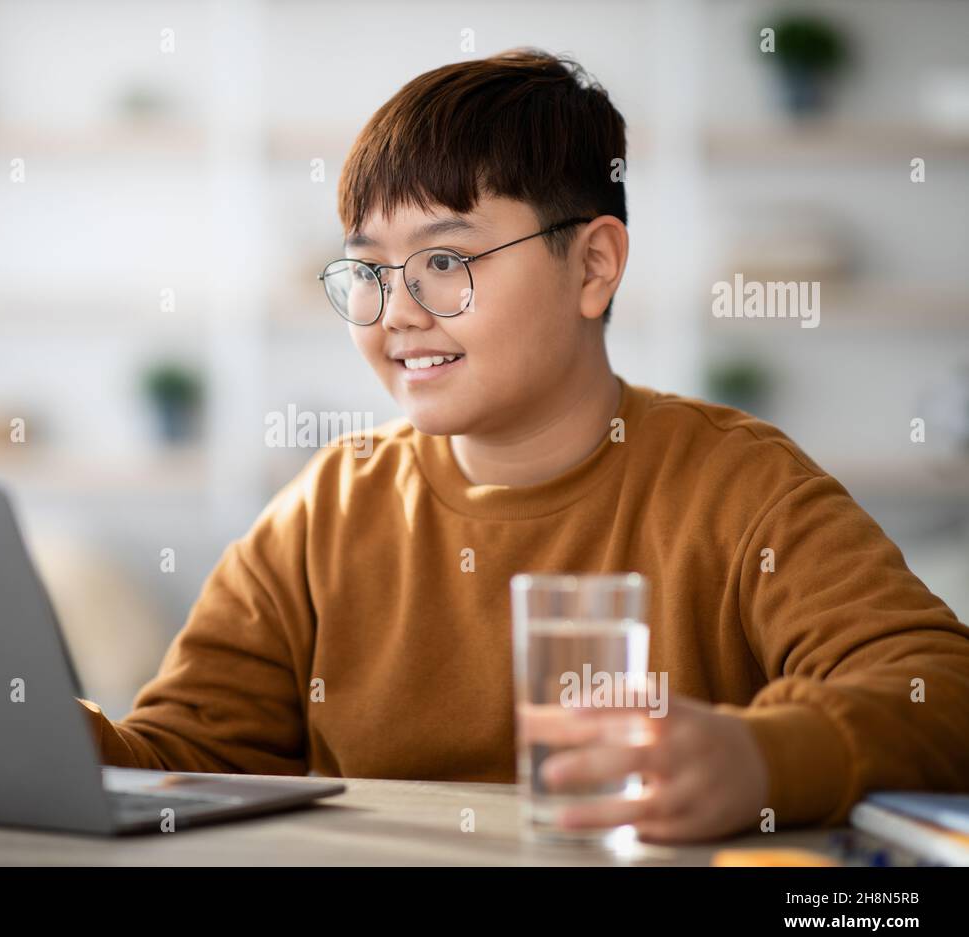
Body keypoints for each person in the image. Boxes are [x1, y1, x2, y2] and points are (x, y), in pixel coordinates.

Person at [76, 48, 969, 842]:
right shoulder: (329, 507)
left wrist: (764, 758)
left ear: (593, 266)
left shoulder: (740, 488)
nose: (398, 312)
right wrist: (46, 727)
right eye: (369, 271)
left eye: (446, 261)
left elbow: (940, 690)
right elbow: (178, 755)